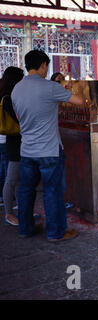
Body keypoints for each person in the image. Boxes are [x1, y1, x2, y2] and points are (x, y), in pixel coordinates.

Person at [11, 50, 83, 241]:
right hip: (49, 150)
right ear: (43, 65)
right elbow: (80, 101)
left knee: (26, 190)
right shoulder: (50, 87)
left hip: (26, 150)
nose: (47, 70)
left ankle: (25, 229)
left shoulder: (17, 89)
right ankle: (55, 232)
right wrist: (65, 89)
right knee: (52, 192)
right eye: (47, 66)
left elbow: (19, 118)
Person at [0, 67, 24, 223]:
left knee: (17, 179)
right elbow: (19, 121)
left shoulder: (7, 95)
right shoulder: (8, 98)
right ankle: (9, 213)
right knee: (11, 178)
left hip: (12, 141)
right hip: (13, 142)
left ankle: (21, 211)